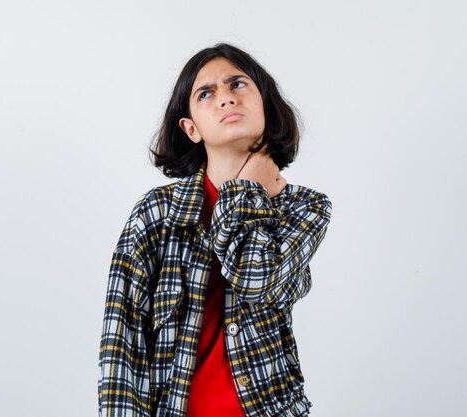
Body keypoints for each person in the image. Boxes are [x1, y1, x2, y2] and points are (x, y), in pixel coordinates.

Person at [97, 42, 332, 417]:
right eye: (206, 93)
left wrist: (246, 189)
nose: (225, 98)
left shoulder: (305, 208)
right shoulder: (156, 212)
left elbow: (254, 278)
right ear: (191, 128)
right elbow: (121, 343)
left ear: (266, 107)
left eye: (237, 85)